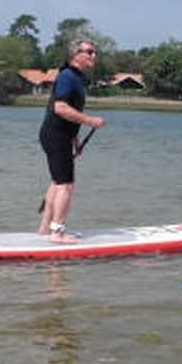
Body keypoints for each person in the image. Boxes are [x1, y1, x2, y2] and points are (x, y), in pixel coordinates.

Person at [38, 39, 105, 243]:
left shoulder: (76, 77)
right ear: (76, 55)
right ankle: (57, 233)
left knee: (58, 183)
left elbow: (69, 113)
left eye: (94, 52)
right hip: (56, 135)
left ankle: (45, 229)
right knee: (65, 185)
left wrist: (75, 140)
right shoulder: (68, 76)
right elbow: (60, 108)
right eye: (90, 52)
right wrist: (90, 121)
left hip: (59, 135)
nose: (94, 55)